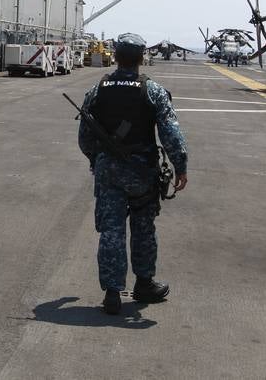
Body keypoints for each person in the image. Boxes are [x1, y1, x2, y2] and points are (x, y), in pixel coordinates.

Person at [78, 32, 188, 315]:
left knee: (111, 231)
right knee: (143, 229)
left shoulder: (98, 88)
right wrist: (180, 165)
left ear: (115, 56)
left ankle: (112, 294)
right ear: (141, 58)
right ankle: (143, 284)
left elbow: (85, 136)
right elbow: (171, 133)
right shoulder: (152, 90)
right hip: (141, 173)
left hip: (108, 172)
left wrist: (97, 159)